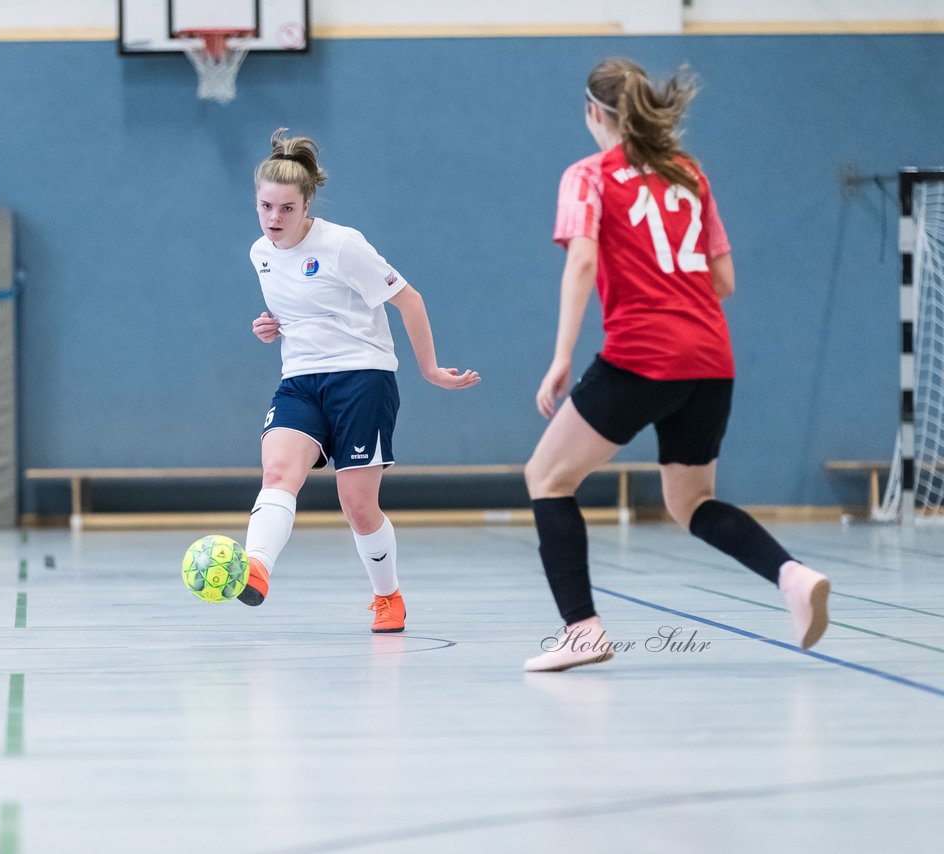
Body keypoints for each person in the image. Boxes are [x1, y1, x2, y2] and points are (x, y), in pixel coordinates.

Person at [522, 59, 831, 671]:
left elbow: (582, 262)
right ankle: (792, 576)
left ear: (593, 113)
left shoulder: (589, 177)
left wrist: (561, 357)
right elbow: (724, 279)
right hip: (711, 360)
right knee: (691, 502)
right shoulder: (687, 173)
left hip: (641, 355)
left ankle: (582, 630)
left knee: (547, 477)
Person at [239, 128, 479, 633]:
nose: (275, 219)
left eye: (286, 208)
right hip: (300, 381)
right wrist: (270, 325)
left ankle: (388, 596)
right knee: (279, 475)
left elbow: (409, 300)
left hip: (361, 379)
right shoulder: (260, 252)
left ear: (307, 205)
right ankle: (255, 566)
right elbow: (300, 310)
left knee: (358, 505)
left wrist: (430, 369)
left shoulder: (344, 245)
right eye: (266, 207)